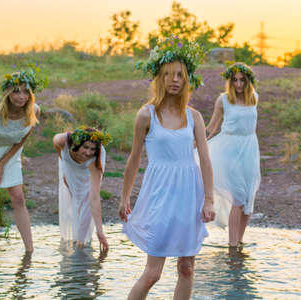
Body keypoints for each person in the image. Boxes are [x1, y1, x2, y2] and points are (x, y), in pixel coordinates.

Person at [119, 36, 215, 300]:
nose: (174, 80)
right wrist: (125, 197)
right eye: (168, 75)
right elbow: (134, 159)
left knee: (186, 268)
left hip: (189, 195)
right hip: (160, 195)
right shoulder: (146, 115)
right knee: (153, 273)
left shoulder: (194, 117)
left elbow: (205, 160)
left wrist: (209, 200)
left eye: (180, 75)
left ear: (187, 80)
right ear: (159, 79)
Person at [0, 67, 47, 254]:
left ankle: (30, 250)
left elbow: (22, 139)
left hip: (10, 151)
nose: (21, 96)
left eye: (25, 91)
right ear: (7, 93)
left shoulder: (34, 110)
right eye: (16, 91)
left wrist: (4, 161)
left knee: (18, 197)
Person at [204, 62, 261, 247]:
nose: (238, 84)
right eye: (234, 80)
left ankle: (239, 240)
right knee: (238, 196)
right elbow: (212, 127)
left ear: (248, 81)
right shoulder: (223, 100)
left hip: (249, 148)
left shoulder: (254, 98)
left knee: (248, 198)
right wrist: (197, 142)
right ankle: (232, 246)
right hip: (229, 149)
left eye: (242, 80)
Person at [53, 126, 111, 252]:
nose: (89, 152)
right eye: (85, 147)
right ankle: (74, 240)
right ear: (78, 144)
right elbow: (55, 141)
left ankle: (81, 242)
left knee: (87, 197)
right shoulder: (63, 140)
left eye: (92, 149)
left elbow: (95, 197)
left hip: (88, 167)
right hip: (68, 163)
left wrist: (100, 230)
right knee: (71, 196)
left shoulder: (95, 157)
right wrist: (63, 163)